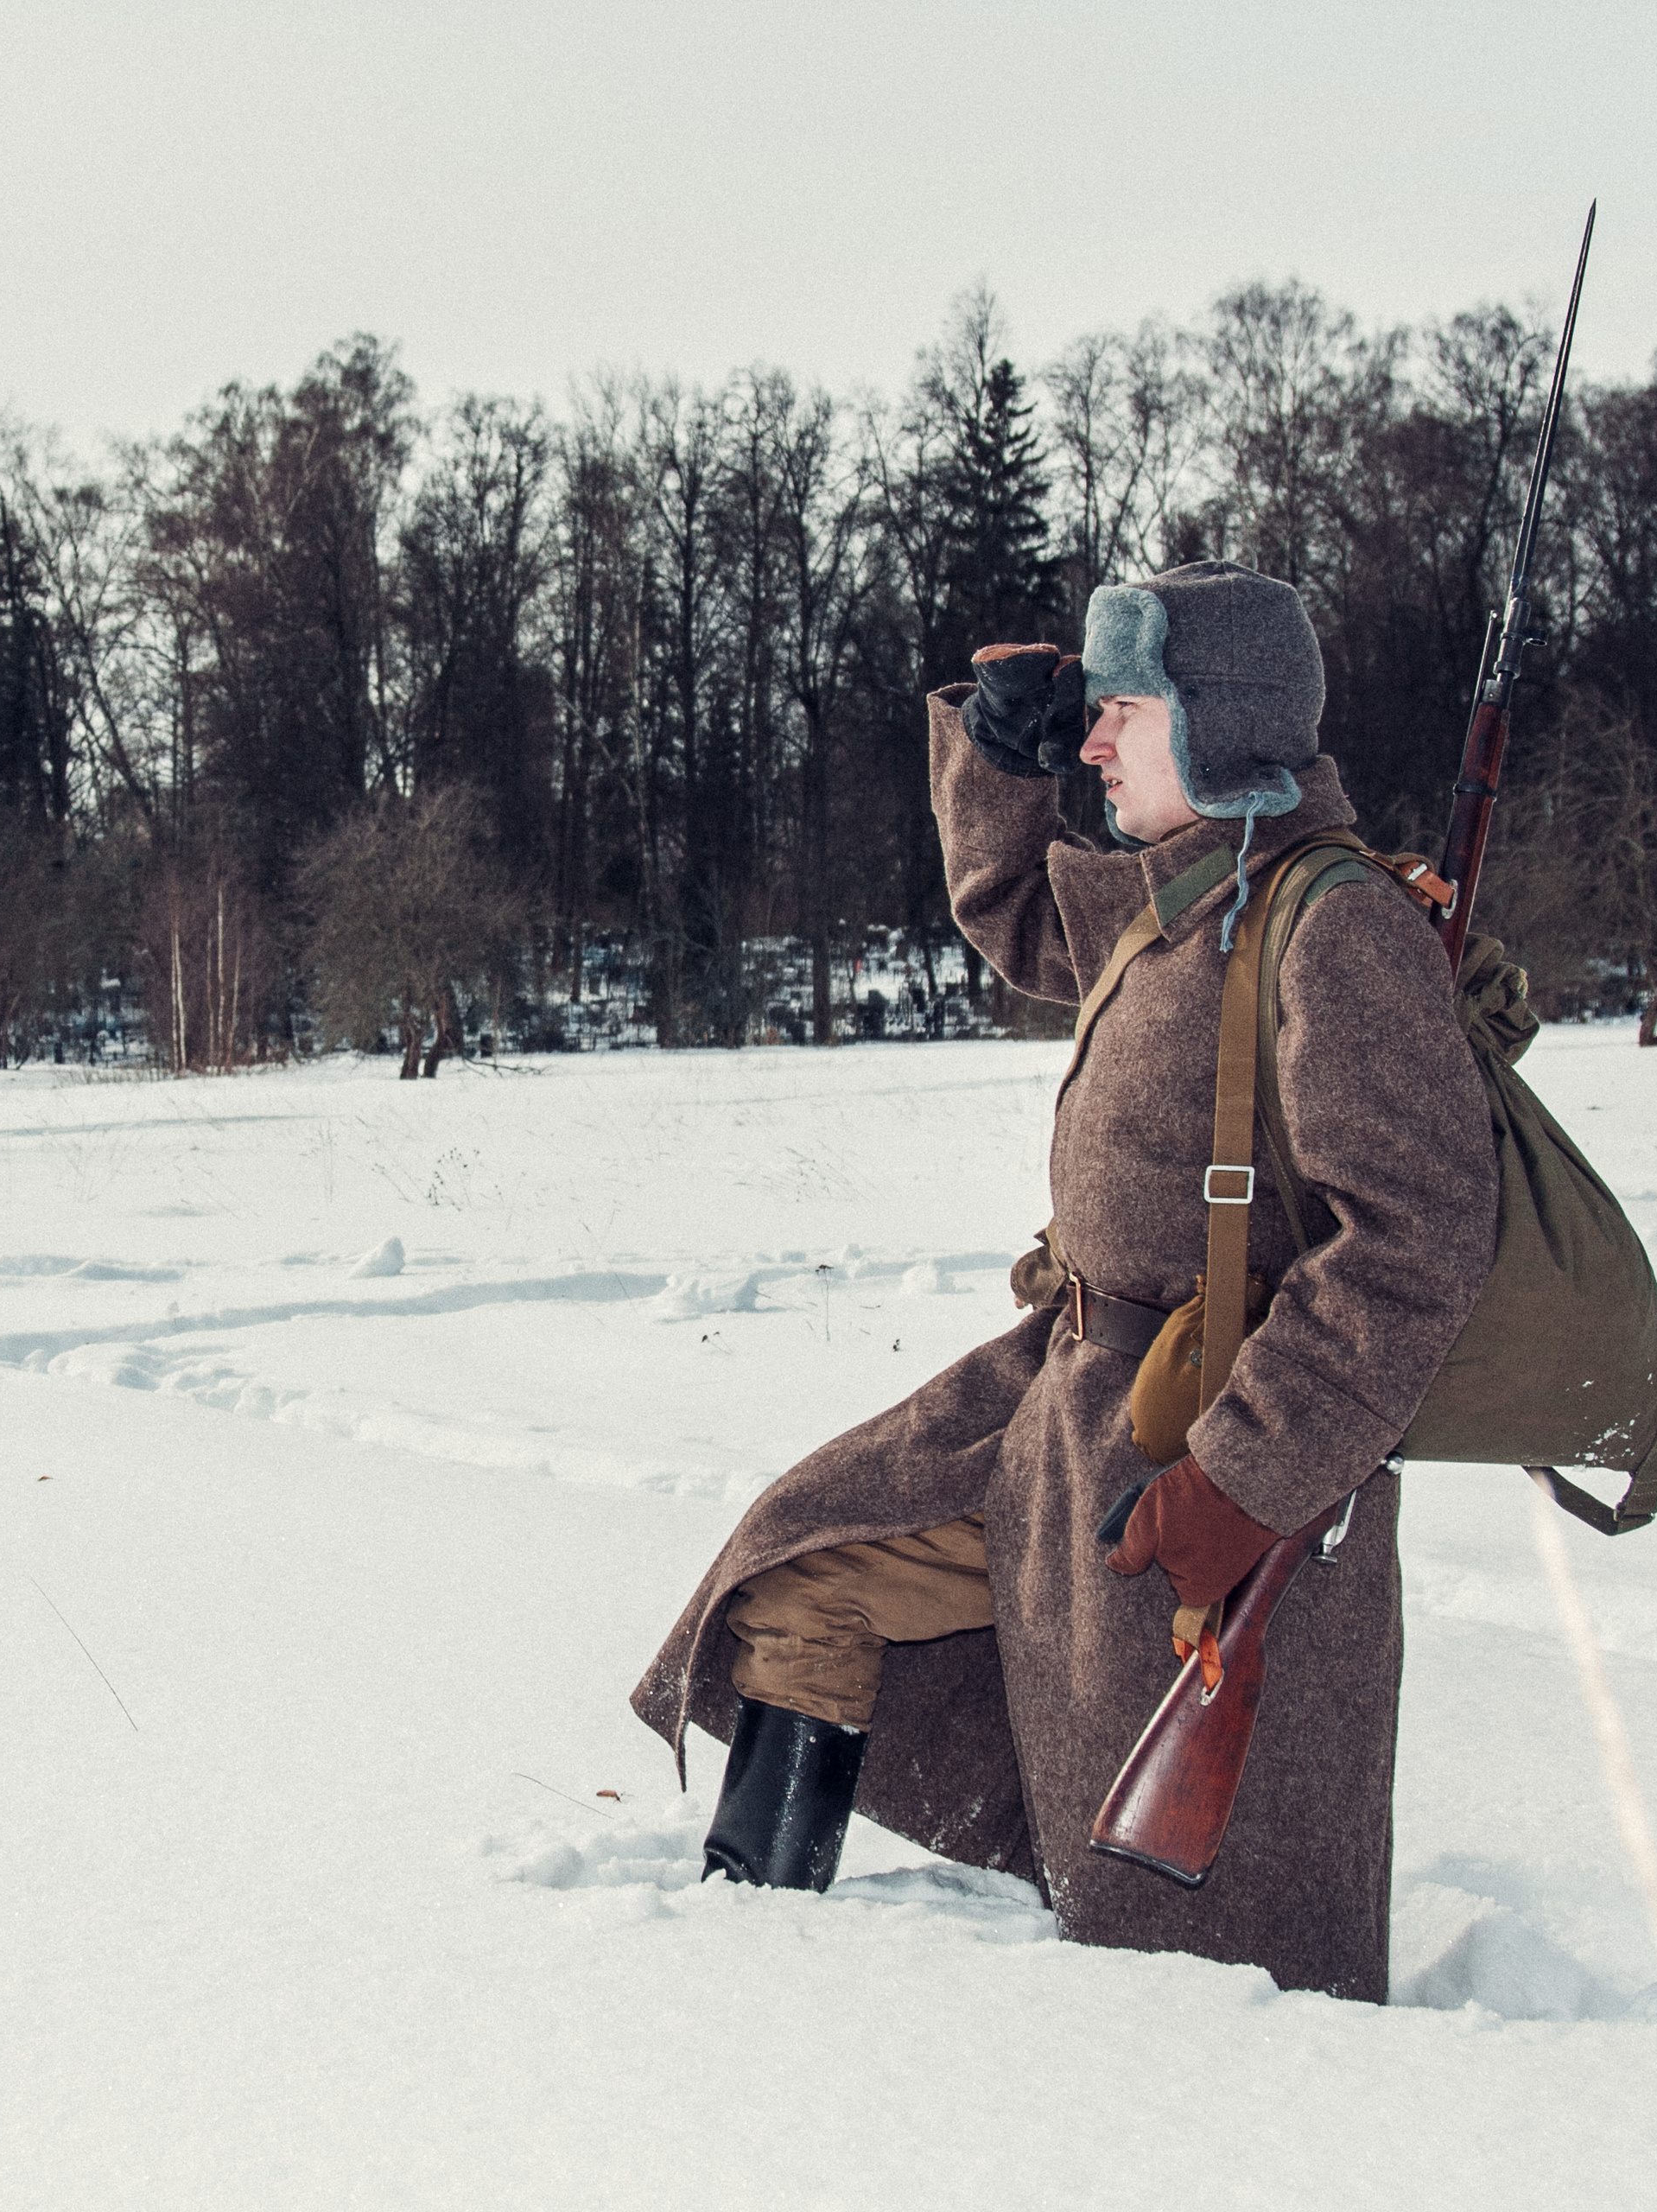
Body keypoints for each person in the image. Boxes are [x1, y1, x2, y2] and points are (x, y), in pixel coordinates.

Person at [631, 560, 1499, 2001]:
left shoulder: (1332, 927)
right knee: (801, 1580)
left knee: (1196, 1967)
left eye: (1125, 711)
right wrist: (997, 744)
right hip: (1054, 1415)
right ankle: (743, 1990)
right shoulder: (1187, 901)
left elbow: (1413, 1245)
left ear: (1220, 726)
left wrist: (1245, 1481)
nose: (1097, 741)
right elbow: (1017, 915)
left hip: (1193, 1465)